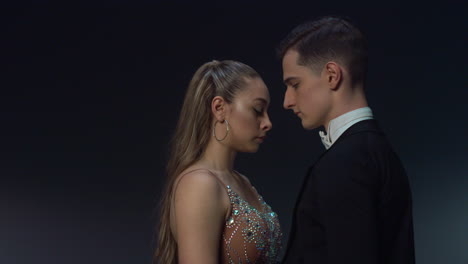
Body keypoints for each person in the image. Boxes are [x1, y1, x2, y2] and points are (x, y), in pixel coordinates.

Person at [278, 16, 415, 263]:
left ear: (332, 75)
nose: (287, 101)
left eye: (294, 84)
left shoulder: (344, 162)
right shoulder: (381, 153)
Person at [154, 60, 282, 264]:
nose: (267, 123)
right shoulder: (199, 184)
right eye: (258, 110)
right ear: (220, 108)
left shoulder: (242, 181)